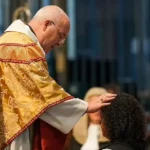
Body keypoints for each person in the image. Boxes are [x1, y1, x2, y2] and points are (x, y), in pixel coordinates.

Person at [0, 5, 116, 150]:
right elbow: (44, 93)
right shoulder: (22, 48)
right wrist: (86, 106)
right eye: (61, 35)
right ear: (47, 25)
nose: (60, 43)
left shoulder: (12, 41)